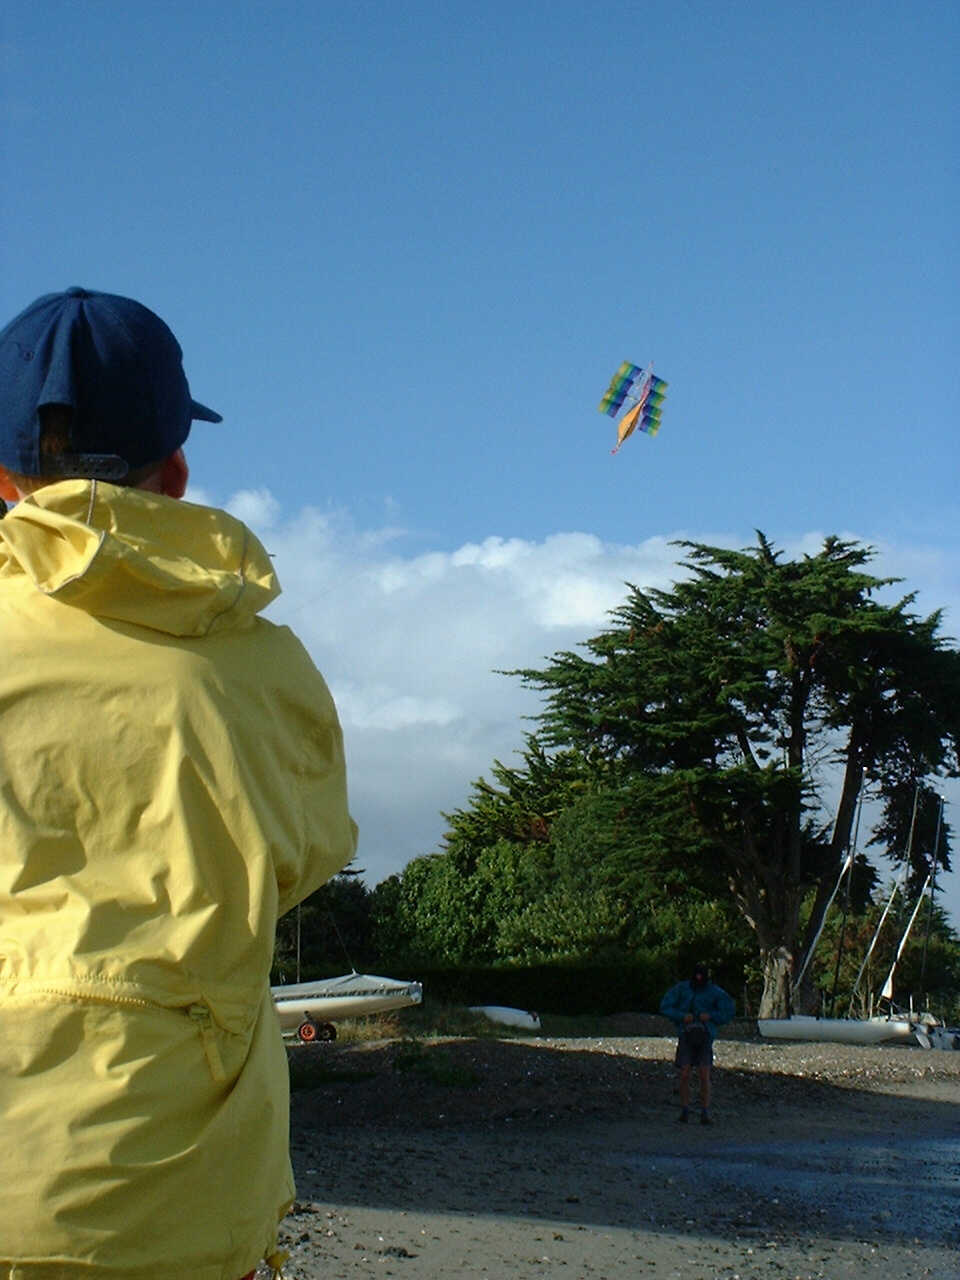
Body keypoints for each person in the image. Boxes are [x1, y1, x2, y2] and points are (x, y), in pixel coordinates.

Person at [0, 288, 358, 1280]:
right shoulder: (268, 665)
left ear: (1, 478)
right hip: (184, 1194)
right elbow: (305, 854)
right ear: (179, 471)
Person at [660, 961, 735, 1125]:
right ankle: (685, 1110)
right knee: (684, 1073)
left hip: (705, 1035)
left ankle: (705, 1112)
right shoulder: (681, 989)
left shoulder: (715, 992)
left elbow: (728, 1011)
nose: (698, 980)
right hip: (686, 1034)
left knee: (704, 1074)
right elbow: (665, 1006)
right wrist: (681, 1016)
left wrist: (711, 1016)